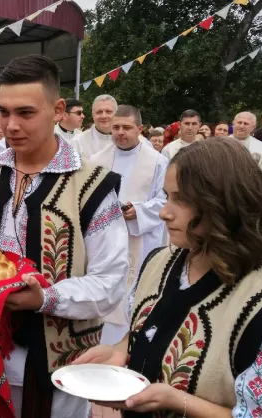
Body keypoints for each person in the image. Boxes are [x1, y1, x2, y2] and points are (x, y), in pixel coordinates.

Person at [0, 55, 128, 418]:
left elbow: (111, 283)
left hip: (58, 367)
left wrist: (45, 298)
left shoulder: (91, 186)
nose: (11, 125)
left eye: (26, 113)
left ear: (58, 110)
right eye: (3, 112)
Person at [75, 137, 262, 418]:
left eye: (181, 200)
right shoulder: (159, 263)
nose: (163, 212)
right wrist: (120, 351)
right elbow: (146, 329)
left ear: (224, 203)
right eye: (166, 196)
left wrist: (178, 401)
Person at [90, 105, 168, 346]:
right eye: (116, 127)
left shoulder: (157, 161)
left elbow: (166, 200)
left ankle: (129, 343)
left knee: (132, 294)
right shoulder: (96, 160)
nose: (120, 132)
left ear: (140, 129)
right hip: (103, 239)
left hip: (140, 239)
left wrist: (139, 211)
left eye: (126, 127)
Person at [232, 111, 262, 190]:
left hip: (252, 190)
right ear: (233, 123)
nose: (242, 126)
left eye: (246, 124)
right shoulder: (220, 143)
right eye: (239, 122)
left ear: (253, 127)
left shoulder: (260, 146)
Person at [72, 94, 117, 159]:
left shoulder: (128, 140)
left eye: (108, 111)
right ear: (93, 115)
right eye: (99, 112)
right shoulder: (77, 142)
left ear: (116, 114)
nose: (104, 116)